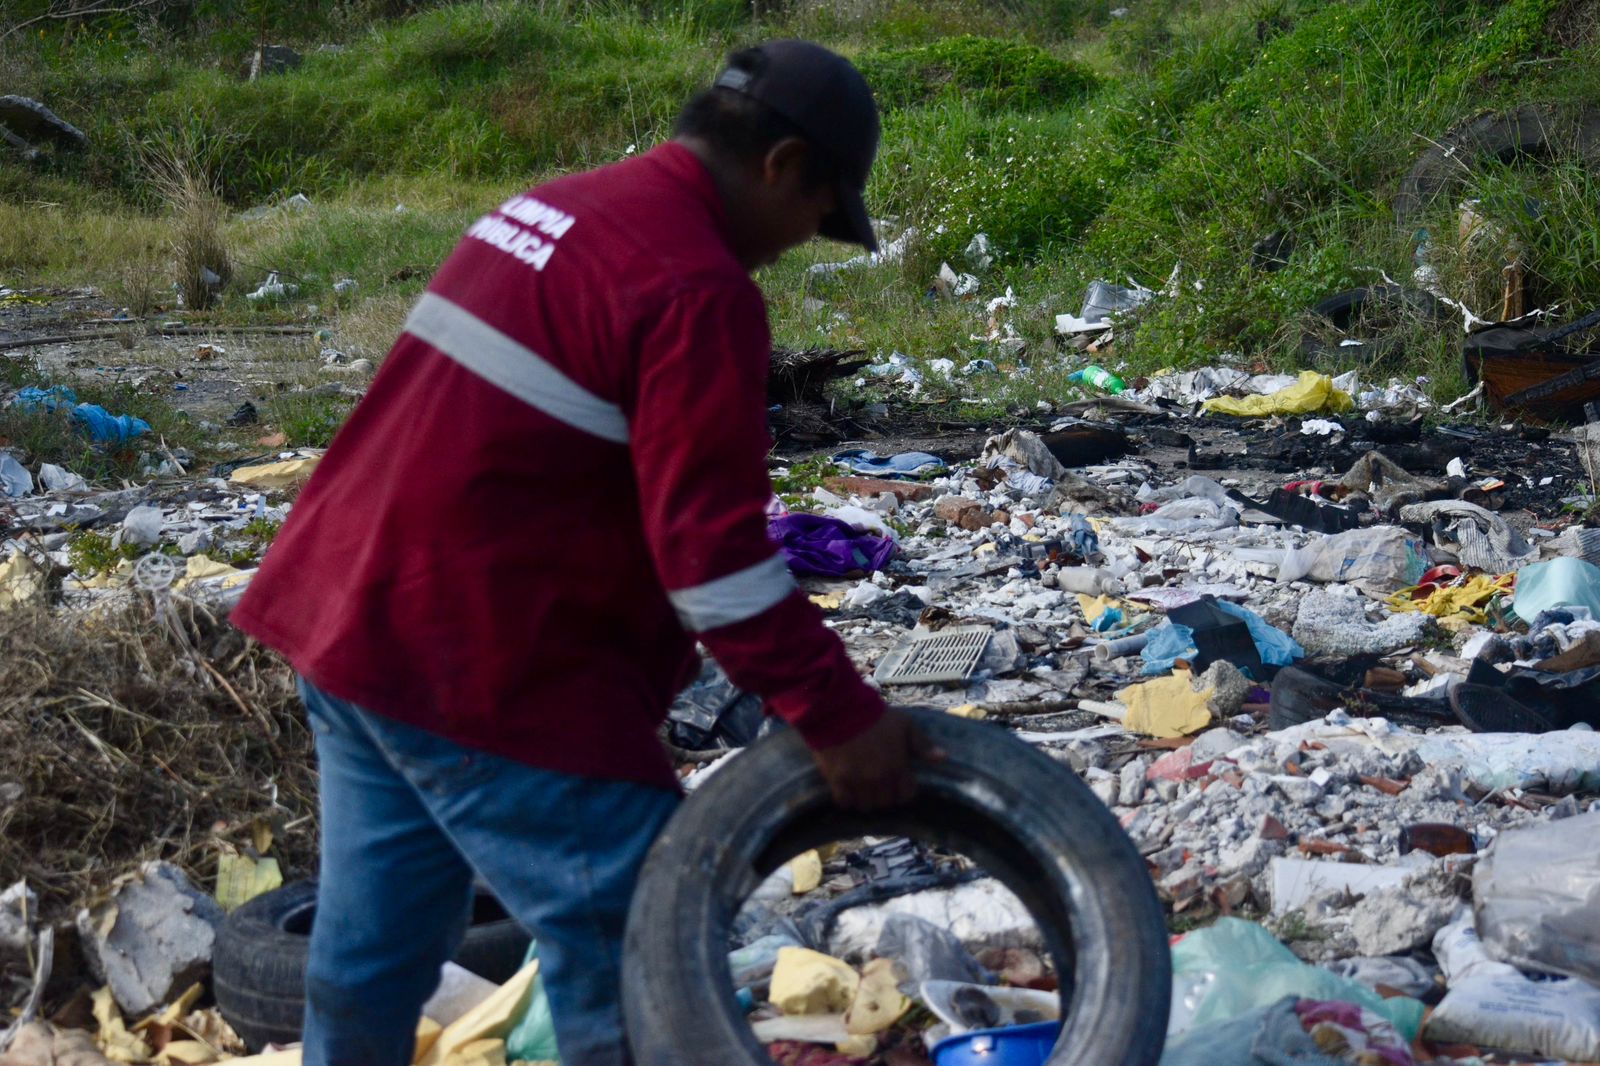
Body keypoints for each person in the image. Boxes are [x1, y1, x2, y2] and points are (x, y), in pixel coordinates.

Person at [231, 39, 937, 1066]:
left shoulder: (546, 210)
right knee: (640, 945)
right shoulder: (696, 286)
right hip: (476, 661)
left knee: (367, 958)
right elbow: (713, 561)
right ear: (782, 164)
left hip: (348, 620)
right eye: (815, 218)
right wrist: (838, 716)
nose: (796, 246)